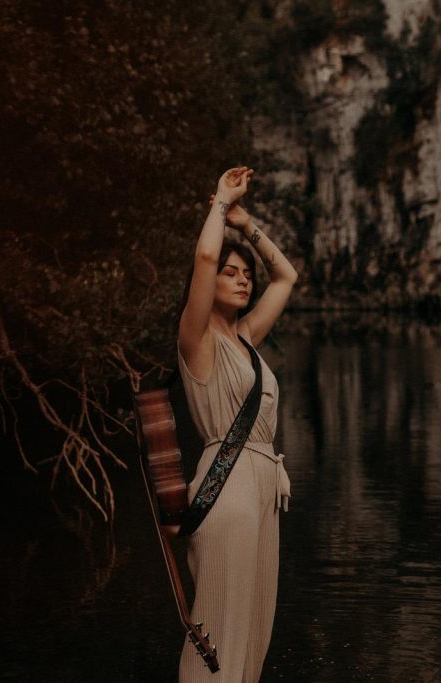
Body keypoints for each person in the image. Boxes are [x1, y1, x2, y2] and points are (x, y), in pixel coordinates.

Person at [175, 166, 297, 681]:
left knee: (255, 633)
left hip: (263, 493)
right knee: (219, 633)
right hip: (226, 493)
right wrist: (221, 204)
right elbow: (204, 255)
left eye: (246, 273)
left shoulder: (246, 339)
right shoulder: (197, 340)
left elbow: (287, 276)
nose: (244, 277)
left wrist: (249, 228)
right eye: (233, 272)